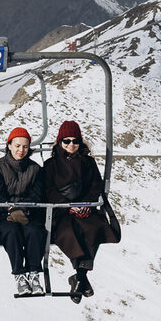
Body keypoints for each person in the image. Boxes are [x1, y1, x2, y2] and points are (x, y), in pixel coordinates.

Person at [47, 119, 112, 301]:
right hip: (61, 211)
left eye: (75, 141)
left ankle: (80, 276)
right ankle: (81, 278)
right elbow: (49, 190)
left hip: (85, 209)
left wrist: (85, 203)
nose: (71, 145)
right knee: (70, 230)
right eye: (66, 141)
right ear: (60, 142)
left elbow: (95, 185)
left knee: (93, 227)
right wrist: (68, 205)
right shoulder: (51, 165)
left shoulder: (88, 162)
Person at [0, 126, 47, 295]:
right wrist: (10, 209)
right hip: (4, 215)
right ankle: (19, 274)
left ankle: (34, 272)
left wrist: (25, 210)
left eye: (25, 147)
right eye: (17, 146)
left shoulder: (35, 169)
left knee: (34, 231)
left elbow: (37, 194)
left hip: (29, 213)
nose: (21, 150)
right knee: (11, 232)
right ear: (9, 145)